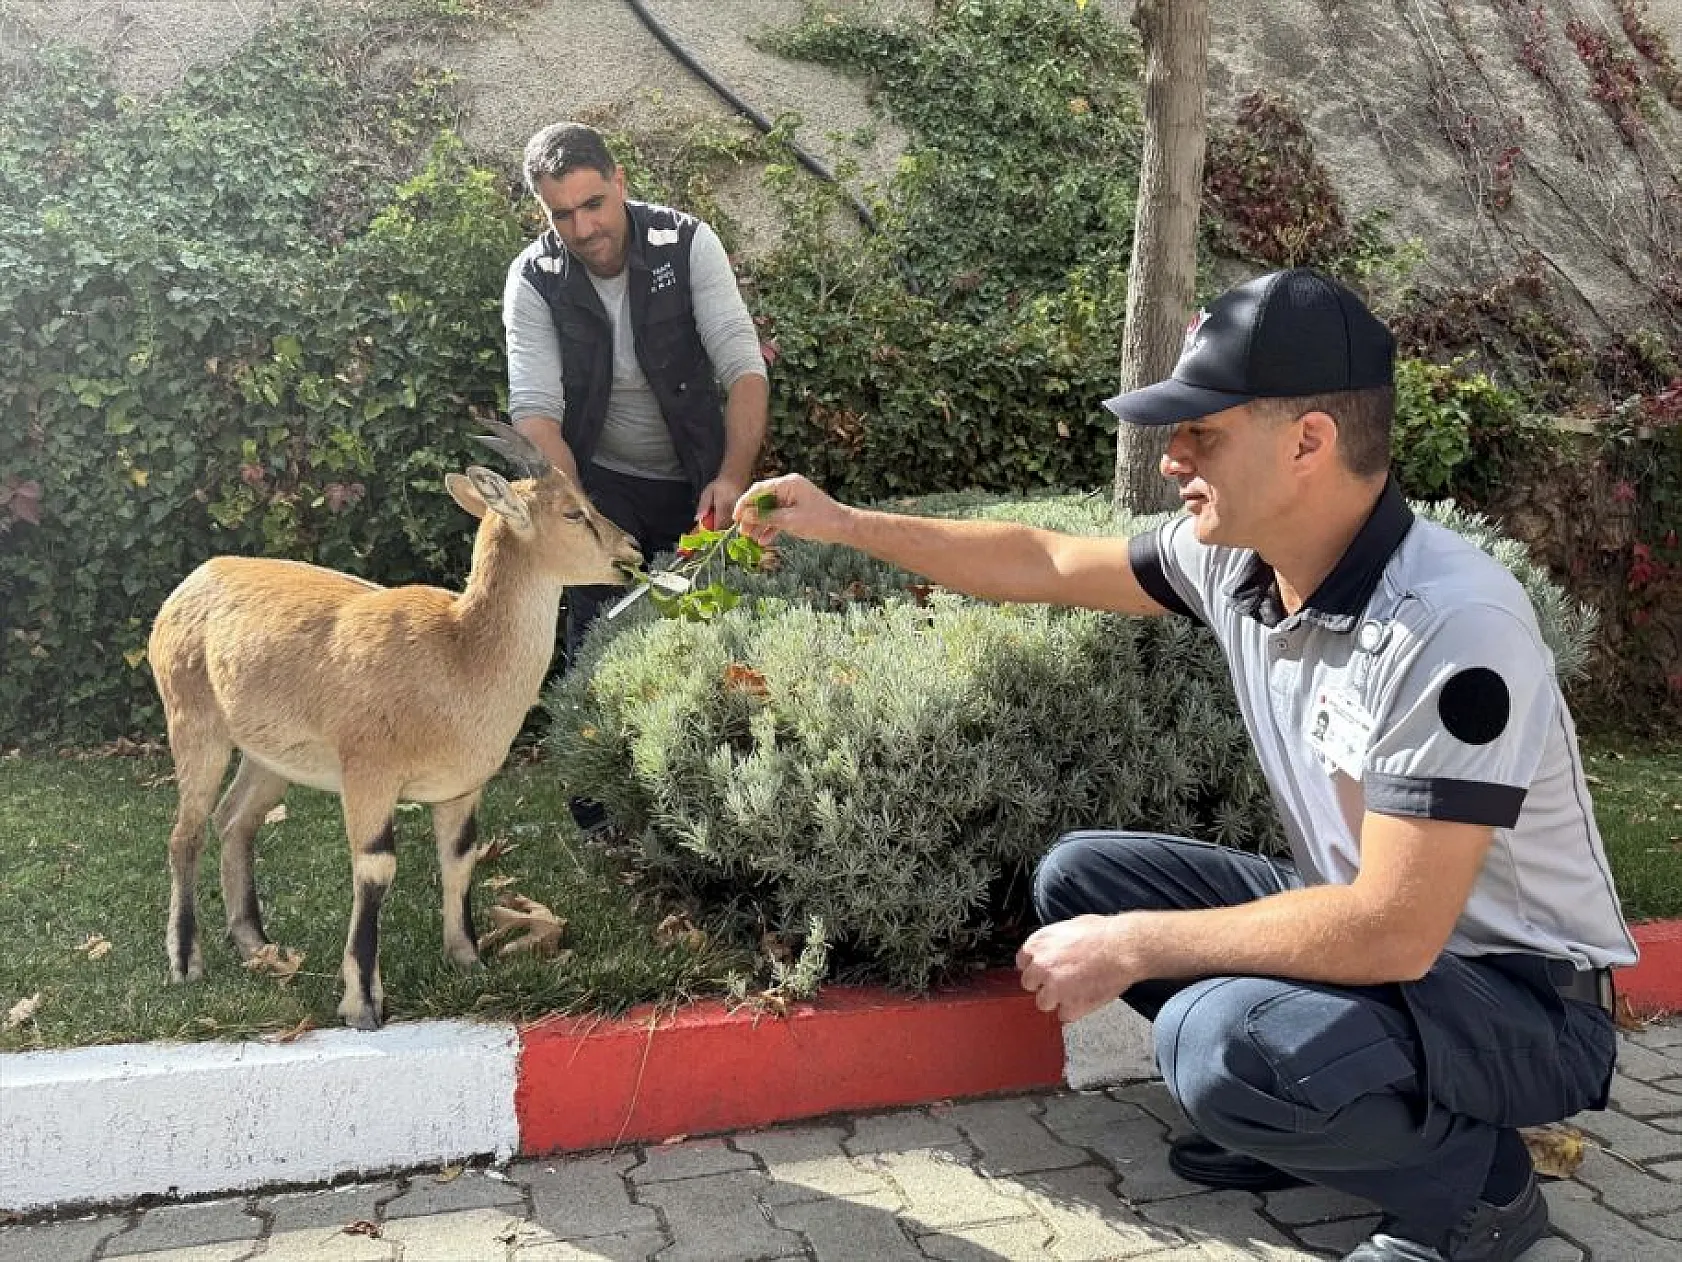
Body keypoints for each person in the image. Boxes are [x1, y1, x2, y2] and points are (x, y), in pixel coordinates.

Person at [731, 268, 1637, 1262]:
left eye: (1202, 430)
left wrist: (1135, 943)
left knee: (1220, 1042)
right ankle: (1330, 1115)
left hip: (1520, 1002)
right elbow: (1040, 559)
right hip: (1395, 948)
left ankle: (1474, 1191)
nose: (1172, 459)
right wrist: (846, 522)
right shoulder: (1239, 559)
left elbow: (1392, 928)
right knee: (1080, 877)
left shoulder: (1448, 626)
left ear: (1308, 442)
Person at [503, 121, 769, 665]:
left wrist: (732, 477)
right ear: (543, 213)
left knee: (713, 637)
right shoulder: (533, 278)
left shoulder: (688, 243)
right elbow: (535, 414)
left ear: (619, 181)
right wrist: (581, 517)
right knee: (599, 642)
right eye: (562, 215)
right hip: (600, 483)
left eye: (593, 203)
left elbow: (744, 369)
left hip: (698, 476)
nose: (583, 228)